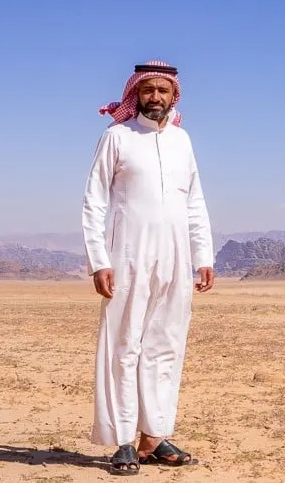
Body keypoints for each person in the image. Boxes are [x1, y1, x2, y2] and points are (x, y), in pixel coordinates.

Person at [81, 60, 215, 475]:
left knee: (166, 344)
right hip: (128, 256)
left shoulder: (182, 140)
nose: (155, 97)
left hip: (176, 258)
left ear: (175, 96)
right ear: (135, 94)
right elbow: (95, 201)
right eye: (147, 90)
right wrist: (99, 260)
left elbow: (194, 202)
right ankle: (123, 439)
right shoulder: (117, 137)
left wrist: (203, 255)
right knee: (125, 346)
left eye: (163, 91)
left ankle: (153, 436)